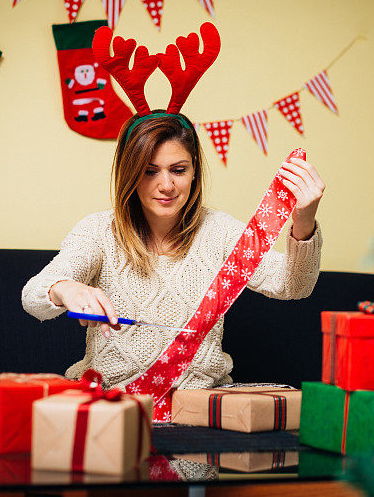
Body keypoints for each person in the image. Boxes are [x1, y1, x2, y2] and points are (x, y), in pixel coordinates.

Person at [21, 110, 325, 392]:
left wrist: (304, 220)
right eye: (149, 171)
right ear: (129, 173)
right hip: (112, 406)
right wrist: (65, 289)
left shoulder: (219, 232)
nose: (165, 185)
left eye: (178, 170)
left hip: (200, 413)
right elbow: (33, 296)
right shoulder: (98, 231)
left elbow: (293, 286)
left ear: (194, 171)